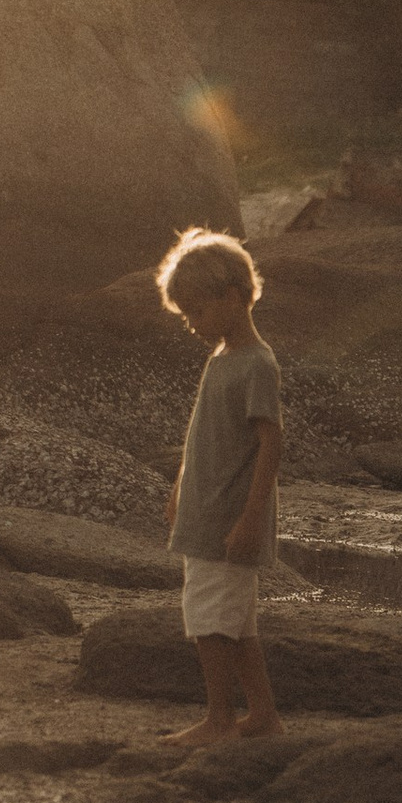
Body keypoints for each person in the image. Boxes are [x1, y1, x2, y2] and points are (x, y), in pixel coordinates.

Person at [156, 227, 284, 747]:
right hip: (204, 510)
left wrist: (251, 518)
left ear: (231, 297)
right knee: (239, 625)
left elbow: (270, 444)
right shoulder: (223, 357)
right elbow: (203, 435)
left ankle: (218, 720)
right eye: (186, 316)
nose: (192, 326)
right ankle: (263, 716)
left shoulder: (256, 363)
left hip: (228, 518)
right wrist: (179, 486)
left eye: (197, 313)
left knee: (209, 621)